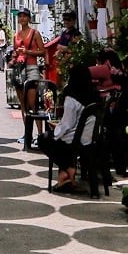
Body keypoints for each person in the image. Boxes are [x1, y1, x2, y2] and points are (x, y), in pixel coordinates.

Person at [39, 63, 100, 193]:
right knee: (60, 141)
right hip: (90, 136)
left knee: (44, 140)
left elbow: (67, 124)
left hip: (77, 137)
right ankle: (65, 176)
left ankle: (68, 171)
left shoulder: (72, 96)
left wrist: (55, 131)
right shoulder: (94, 93)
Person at [9, 9, 46, 150]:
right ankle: (27, 134)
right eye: (20, 16)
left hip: (31, 68)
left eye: (25, 16)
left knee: (33, 104)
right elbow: (14, 52)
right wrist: (13, 57)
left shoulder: (34, 33)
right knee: (23, 105)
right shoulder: (16, 35)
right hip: (19, 69)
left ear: (29, 18)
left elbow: (43, 51)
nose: (22, 18)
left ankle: (40, 134)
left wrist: (28, 52)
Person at [44, 9, 82, 87]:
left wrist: (64, 49)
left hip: (70, 65)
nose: (66, 21)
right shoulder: (64, 33)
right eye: (64, 19)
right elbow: (59, 48)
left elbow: (76, 51)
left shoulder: (76, 34)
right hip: (60, 65)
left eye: (68, 19)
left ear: (74, 20)